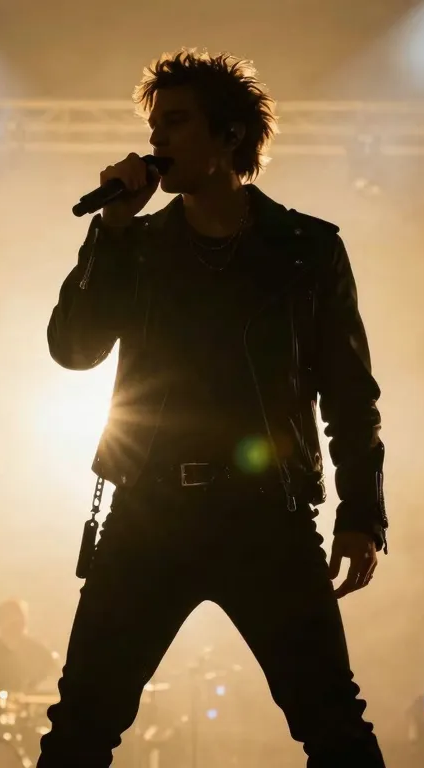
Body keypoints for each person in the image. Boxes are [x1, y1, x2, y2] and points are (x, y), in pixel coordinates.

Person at [40, 49, 387, 767]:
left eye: (176, 122)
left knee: (333, 724)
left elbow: (351, 394)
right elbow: (73, 349)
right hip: (149, 512)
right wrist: (110, 230)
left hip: (266, 516)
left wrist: (362, 512)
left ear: (229, 135)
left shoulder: (306, 250)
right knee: (81, 726)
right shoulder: (137, 246)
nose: (156, 139)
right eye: (153, 126)